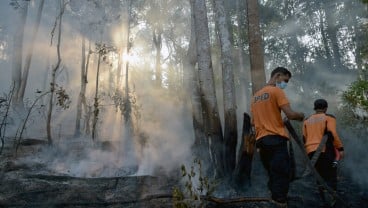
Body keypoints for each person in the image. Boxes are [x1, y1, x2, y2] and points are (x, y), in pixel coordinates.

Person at [251, 67, 305, 207]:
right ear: (278, 76)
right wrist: (301, 116)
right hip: (275, 139)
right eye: (285, 80)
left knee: (272, 173)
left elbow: (253, 122)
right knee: (281, 173)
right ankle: (280, 202)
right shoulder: (276, 91)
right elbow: (290, 114)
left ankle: (274, 199)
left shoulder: (256, 96)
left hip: (261, 142)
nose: (285, 84)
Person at [303, 99, 344, 206]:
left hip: (311, 152)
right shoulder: (329, 118)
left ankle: (322, 199)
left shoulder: (307, 120)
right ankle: (332, 198)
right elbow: (333, 133)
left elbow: (304, 138)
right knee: (331, 174)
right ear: (326, 108)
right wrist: (340, 149)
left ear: (315, 108)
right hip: (325, 150)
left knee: (319, 175)